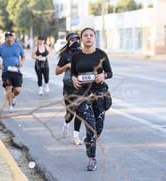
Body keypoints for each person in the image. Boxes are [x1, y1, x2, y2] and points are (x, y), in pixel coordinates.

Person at [71, 27, 113, 171]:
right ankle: (92, 159)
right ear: (81, 39)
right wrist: (74, 79)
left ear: (94, 38)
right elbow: (73, 73)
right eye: (85, 35)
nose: (88, 37)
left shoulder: (101, 54)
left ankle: (89, 141)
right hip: (83, 94)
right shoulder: (76, 56)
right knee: (91, 126)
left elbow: (110, 73)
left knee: (98, 129)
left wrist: (103, 76)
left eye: (91, 35)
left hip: (100, 94)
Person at [55, 33, 83, 145]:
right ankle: (66, 123)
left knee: (80, 111)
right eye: (72, 40)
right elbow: (56, 72)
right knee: (70, 112)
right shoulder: (65, 55)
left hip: (81, 86)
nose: (75, 41)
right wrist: (66, 66)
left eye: (77, 39)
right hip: (68, 86)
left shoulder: (83, 53)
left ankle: (76, 136)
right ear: (68, 42)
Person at [0, 31, 25, 113]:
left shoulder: (18, 46)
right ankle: (11, 106)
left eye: (10, 37)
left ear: (13, 38)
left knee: (18, 90)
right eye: (7, 37)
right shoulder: (1, 48)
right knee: (8, 89)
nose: (9, 38)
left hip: (16, 71)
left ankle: (13, 97)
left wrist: (22, 62)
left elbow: (23, 56)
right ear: (5, 38)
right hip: (6, 72)